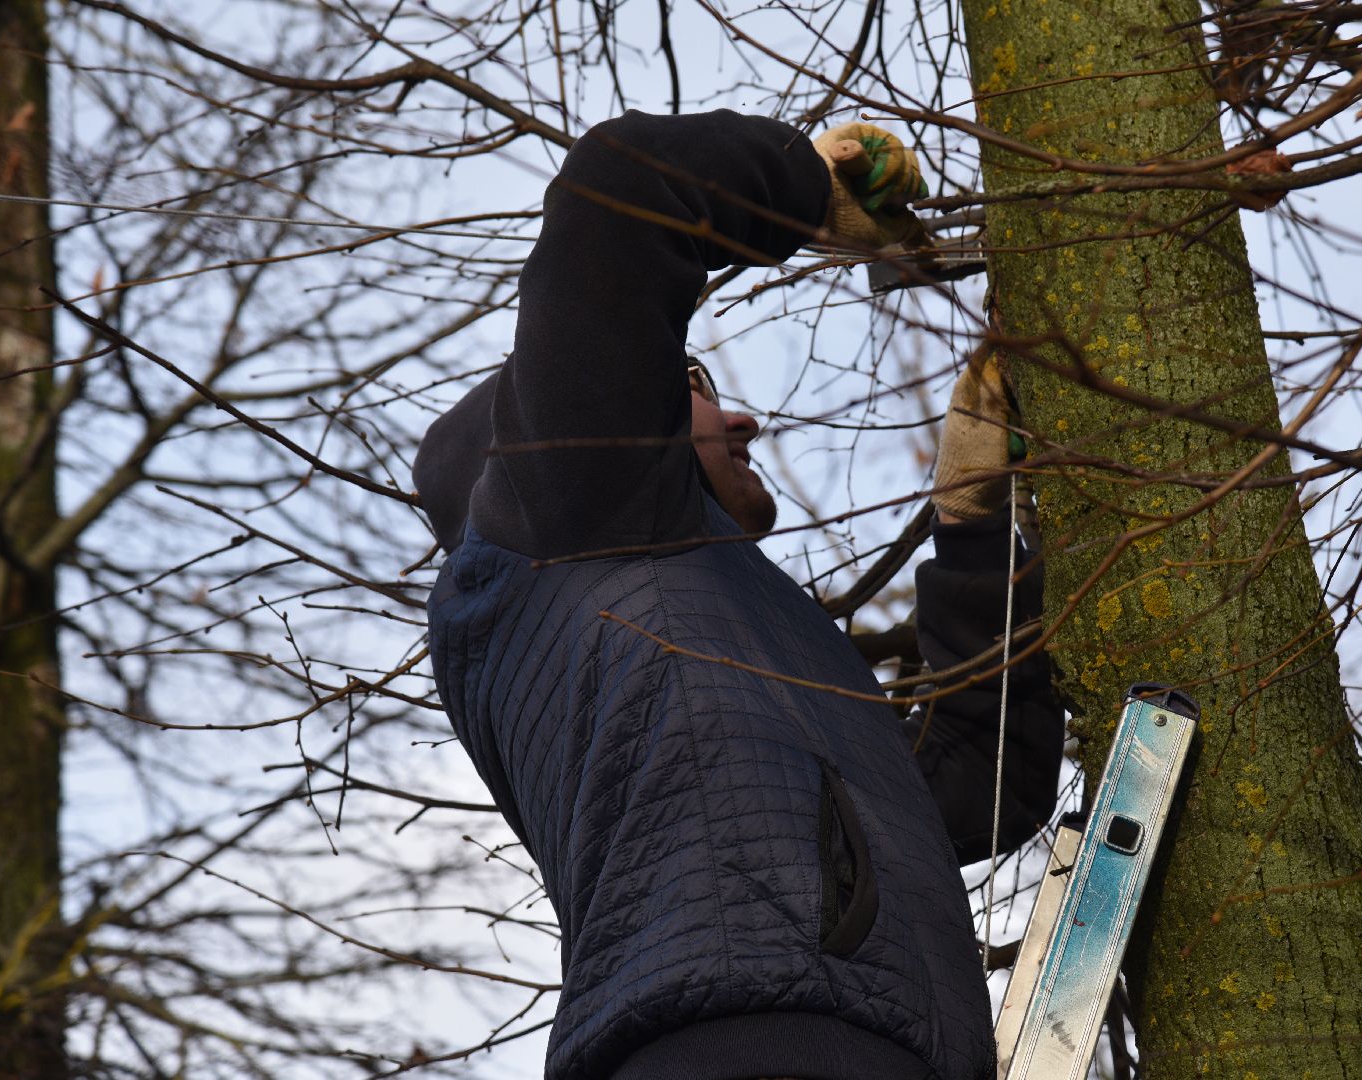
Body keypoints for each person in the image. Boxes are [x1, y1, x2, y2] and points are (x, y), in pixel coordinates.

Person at [414, 110, 1061, 1080]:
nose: (742, 415)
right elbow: (623, 191)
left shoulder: (728, 624)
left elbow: (975, 794)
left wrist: (968, 532)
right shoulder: (569, 515)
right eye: (695, 382)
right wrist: (804, 189)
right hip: (742, 1045)